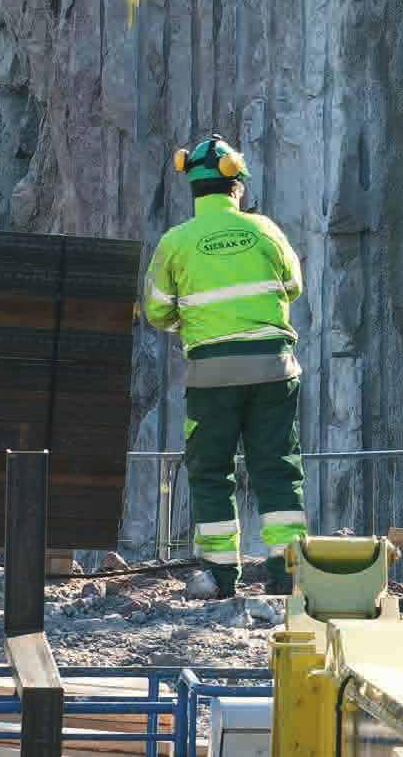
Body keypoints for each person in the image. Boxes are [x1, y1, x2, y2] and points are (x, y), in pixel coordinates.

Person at [143, 134, 307, 599]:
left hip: (211, 375)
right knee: (277, 467)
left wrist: (192, 321)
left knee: (212, 471)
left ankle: (218, 577)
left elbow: (156, 311)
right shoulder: (266, 231)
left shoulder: (176, 242)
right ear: (238, 186)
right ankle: (288, 574)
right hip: (274, 369)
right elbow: (292, 285)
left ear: (192, 189)